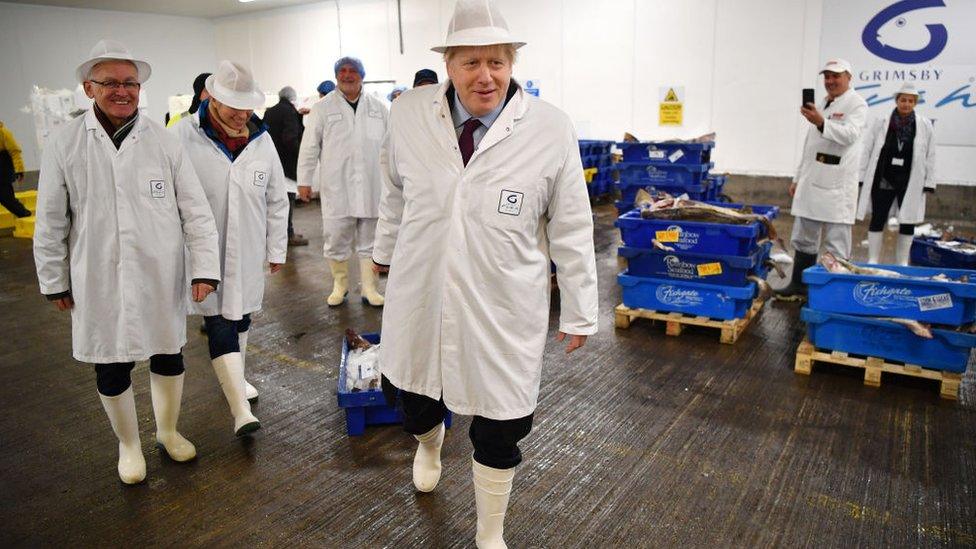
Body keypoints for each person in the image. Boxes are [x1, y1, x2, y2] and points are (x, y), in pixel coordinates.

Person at [371, 1, 598, 546]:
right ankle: (429, 444)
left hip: (503, 302)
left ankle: (490, 529)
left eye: (496, 62)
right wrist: (382, 251)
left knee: (502, 422)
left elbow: (571, 225)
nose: (485, 76)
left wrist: (580, 309)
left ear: (513, 61)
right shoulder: (408, 114)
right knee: (414, 399)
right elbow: (393, 192)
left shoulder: (549, 128)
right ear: (448, 64)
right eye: (471, 62)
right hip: (421, 289)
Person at [33, 39, 220, 484]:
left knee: (168, 354)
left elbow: (195, 209)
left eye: (130, 83)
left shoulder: (163, 139)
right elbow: (50, 218)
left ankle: (169, 433)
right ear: (88, 88)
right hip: (96, 273)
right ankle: (129, 445)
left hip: (160, 269)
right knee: (111, 361)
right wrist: (55, 280)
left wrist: (204, 268)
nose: (122, 91)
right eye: (110, 83)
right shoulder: (64, 143)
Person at [172, 61, 289, 434]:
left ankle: (236, 377)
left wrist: (277, 248)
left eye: (247, 107)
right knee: (219, 319)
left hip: (250, 245)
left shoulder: (261, 138)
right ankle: (240, 410)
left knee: (242, 315)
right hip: (202, 250)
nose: (241, 115)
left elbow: (276, 198)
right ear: (212, 99)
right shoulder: (181, 136)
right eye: (233, 106)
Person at [297, 57, 389, 307]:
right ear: (336, 76)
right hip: (337, 186)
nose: (347, 75)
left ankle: (370, 288)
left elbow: (392, 145)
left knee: (372, 240)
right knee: (336, 237)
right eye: (342, 71)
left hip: (373, 185)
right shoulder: (323, 107)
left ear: (362, 75)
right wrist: (304, 181)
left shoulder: (379, 107)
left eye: (353, 71)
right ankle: (340, 285)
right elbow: (309, 146)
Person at [775, 58, 867, 299]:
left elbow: (850, 135)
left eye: (836, 76)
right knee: (804, 237)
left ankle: (834, 295)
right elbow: (810, 147)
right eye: (827, 76)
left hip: (837, 185)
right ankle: (799, 285)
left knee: (836, 242)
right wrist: (798, 178)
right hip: (811, 181)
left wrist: (821, 122)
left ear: (849, 77)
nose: (830, 81)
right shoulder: (825, 103)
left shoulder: (857, 104)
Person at [856, 83, 936, 265]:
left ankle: (902, 263)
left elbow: (931, 154)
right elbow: (867, 148)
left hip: (909, 180)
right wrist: (861, 176)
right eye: (903, 100)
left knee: (908, 221)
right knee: (878, 217)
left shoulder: (924, 125)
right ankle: (873, 259)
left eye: (910, 101)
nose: (906, 104)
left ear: (915, 103)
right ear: (897, 100)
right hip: (884, 177)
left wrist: (929, 181)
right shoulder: (882, 121)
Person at [264, 86, 309, 246]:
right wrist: (301, 155)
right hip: (287, 165)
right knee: (287, 200)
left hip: (271, 161)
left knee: (275, 201)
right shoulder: (289, 112)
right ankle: (288, 234)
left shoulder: (270, 111)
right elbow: (290, 138)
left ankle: (278, 234)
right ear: (292, 98)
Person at [0, 120, 31, 218]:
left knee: (6, 198)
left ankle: (25, 214)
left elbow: (15, 152)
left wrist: (19, 169)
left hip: (3, 172)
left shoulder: (3, 133)